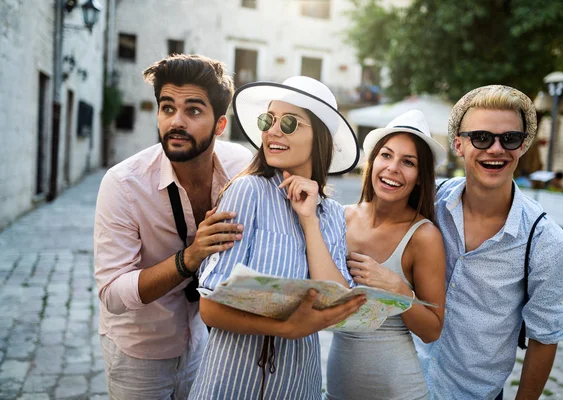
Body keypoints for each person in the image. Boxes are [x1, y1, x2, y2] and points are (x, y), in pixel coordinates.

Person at [188, 76, 366, 400]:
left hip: (299, 383)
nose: (272, 131)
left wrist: (309, 219)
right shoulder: (247, 192)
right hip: (232, 381)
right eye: (268, 120)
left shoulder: (333, 214)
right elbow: (209, 309)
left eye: (289, 122)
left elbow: (337, 300)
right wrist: (286, 328)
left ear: (320, 138)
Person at [93, 54, 253, 399]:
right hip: (139, 352)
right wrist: (189, 258)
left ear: (220, 125)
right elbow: (112, 293)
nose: (175, 122)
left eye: (193, 110)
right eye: (167, 108)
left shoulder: (241, 167)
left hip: (203, 342)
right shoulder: (123, 184)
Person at [414, 85, 563, 399]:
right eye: (481, 137)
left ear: (522, 147)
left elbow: (545, 338)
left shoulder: (547, 243)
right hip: (398, 383)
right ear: (458, 144)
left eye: (510, 138)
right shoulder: (426, 202)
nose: (496, 149)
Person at [325, 110, 447, 400]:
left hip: (399, 391)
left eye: (408, 162)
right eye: (386, 156)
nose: (393, 168)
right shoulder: (339, 219)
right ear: (373, 161)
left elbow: (432, 330)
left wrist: (398, 290)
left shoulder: (423, 236)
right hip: (337, 389)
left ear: (420, 177)